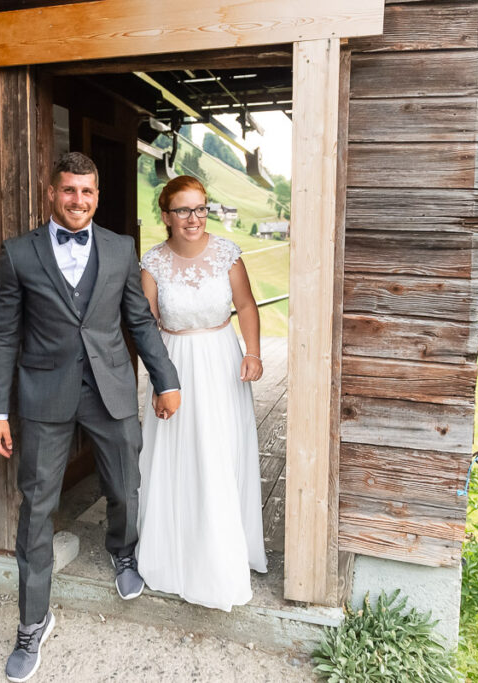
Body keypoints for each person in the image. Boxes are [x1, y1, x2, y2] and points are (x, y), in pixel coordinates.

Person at [0, 152, 181, 682]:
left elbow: (139, 322)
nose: (79, 201)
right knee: (36, 505)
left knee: (124, 486)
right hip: (44, 395)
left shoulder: (119, 250)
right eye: (69, 191)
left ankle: (123, 551)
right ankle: (32, 622)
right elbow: (4, 334)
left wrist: (167, 379)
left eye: (87, 192)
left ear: (97, 196)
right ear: (51, 193)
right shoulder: (18, 253)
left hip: (111, 388)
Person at [136, 175, 268, 611]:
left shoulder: (227, 254)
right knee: (180, 453)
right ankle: (177, 552)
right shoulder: (152, 263)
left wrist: (253, 352)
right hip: (175, 363)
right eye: (183, 210)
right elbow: (147, 325)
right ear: (166, 216)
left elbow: (246, 305)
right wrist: (160, 380)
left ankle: (224, 548)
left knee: (220, 452)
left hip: (220, 360)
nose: (193, 218)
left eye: (200, 208)